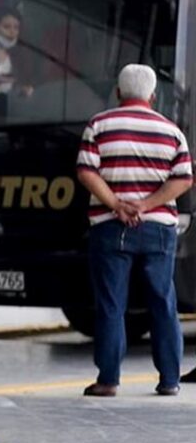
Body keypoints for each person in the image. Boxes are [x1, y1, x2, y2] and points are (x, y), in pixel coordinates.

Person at [76, 64, 192, 397]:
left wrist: (116, 203)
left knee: (112, 304)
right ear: (153, 96)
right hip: (158, 230)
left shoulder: (99, 125)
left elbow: (86, 172)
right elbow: (184, 178)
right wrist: (148, 204)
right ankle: (169, 380)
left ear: (118, 92)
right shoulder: (171, 131)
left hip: (110, 227)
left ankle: (108, 380)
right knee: (162, 301)